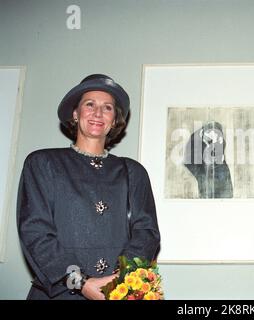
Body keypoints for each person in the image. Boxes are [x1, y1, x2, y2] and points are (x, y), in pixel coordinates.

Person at [17, 74, 160, 300]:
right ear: (75, 113)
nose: (98, 113)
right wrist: (80, 282)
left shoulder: (133, 172)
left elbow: (147, 232)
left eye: (108, 108)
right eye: (90, 104)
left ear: (115, 120)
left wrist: (120, 280)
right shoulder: (43, 164)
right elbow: (35, 232)